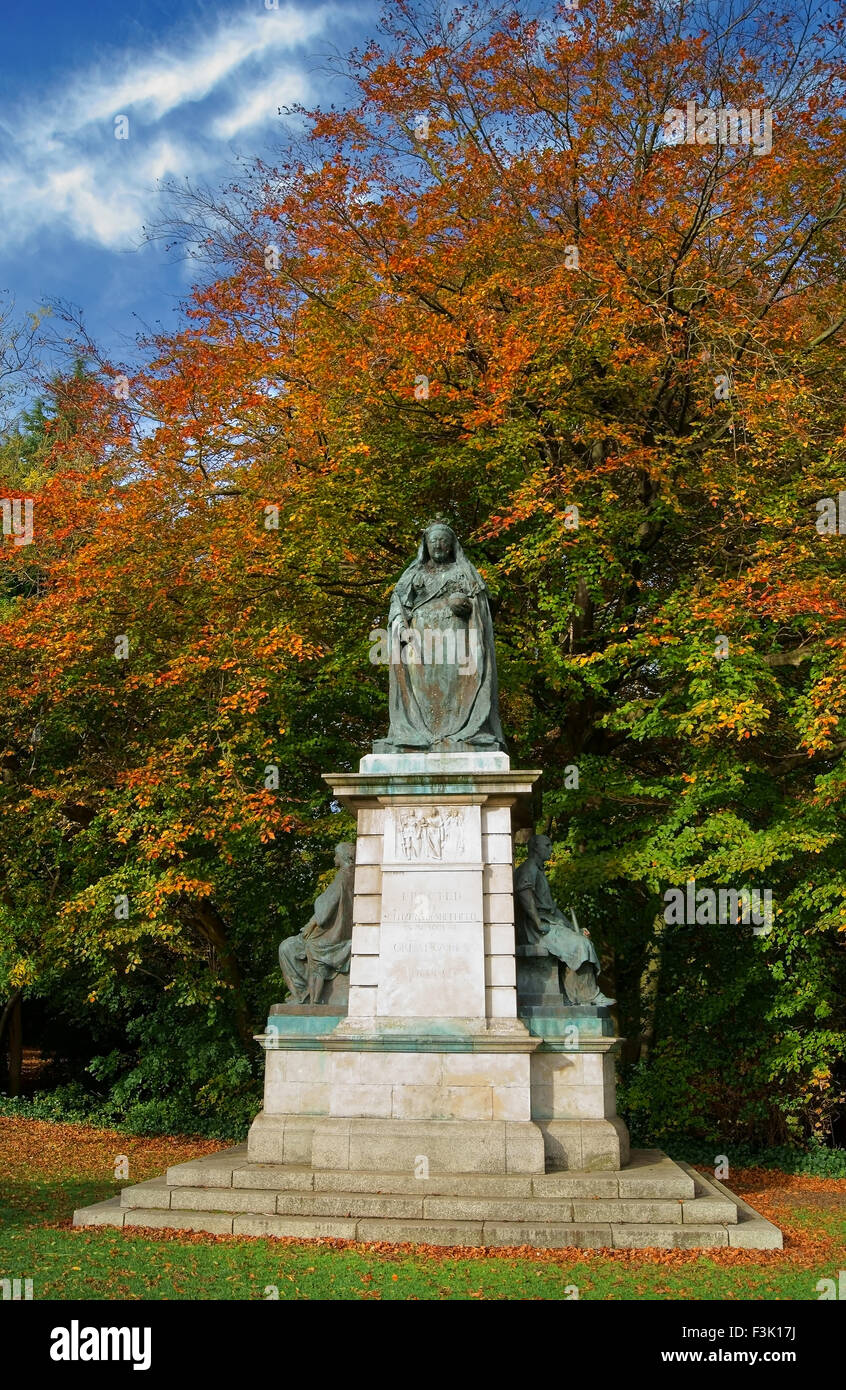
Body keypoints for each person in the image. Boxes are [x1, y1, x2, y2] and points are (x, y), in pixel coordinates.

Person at [374, 522, 506, 753]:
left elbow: (480, 605)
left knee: (457, 686)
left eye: (443, 540)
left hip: (456, 641)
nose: (438, 544)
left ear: (452, 545)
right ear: (426, 545)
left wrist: (467, 606)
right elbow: (398, 604)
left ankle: (458, 733)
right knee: (419, 688)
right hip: (419, 641)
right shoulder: (413, 574)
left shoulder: (464, 572)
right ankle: (419, 732)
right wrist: (399, 624)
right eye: (433, 540)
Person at [514, 833, 615, 1007]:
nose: (551, 849)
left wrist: (572, 928)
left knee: (582, 941)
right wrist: (537, 922)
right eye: (547, 846)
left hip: (547, 922)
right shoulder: (529, 867)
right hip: (535, 928)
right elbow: (524, 893)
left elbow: (552, 908)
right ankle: (589, 996)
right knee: (580, 945)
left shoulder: (538, 870)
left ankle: (576, 995)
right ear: (535, 848)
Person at [278, 843, 355, 1004]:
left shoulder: (342, 877)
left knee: (286, 948)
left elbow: (324, 913)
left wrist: (310, 925)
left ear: (342, 857)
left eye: (336, 855)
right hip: (339, 934)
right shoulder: (355, 876)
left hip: (329, 937)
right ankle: (305, 996)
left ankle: (302, 995)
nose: (334, 858)